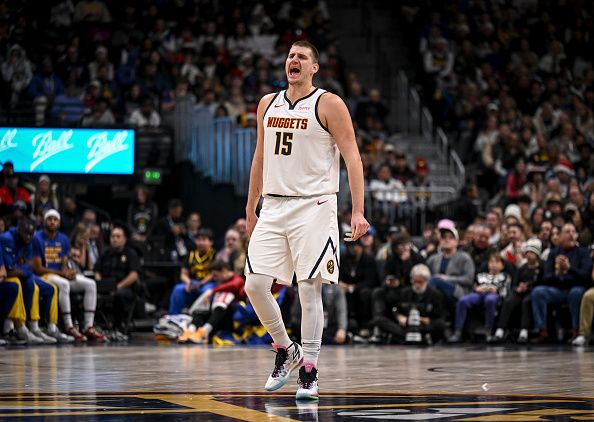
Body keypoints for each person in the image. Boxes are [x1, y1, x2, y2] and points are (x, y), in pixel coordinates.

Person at [244, 40, 369, 400]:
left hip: (315, 206)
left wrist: (357, 210)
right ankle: (286, 348)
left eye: (301, 57)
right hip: (274, 204)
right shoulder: (267, 104)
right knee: (254, 285)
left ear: (314, 67)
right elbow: (259, 157)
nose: (293, 60)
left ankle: (310, 370)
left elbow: (353, 158)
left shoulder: (328, 103)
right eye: (290, 56)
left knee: (309, 289)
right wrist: (251, 207)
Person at [31, 210, 105, 342]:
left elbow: (64, 263)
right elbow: (38, 269)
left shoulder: (63, 238)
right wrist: (62, 274)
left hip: (59, 275)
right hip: (45, 276)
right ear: (44, 221)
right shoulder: (37, 238)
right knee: (64, 284)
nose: (53, 222)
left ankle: (88, 326)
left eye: (55, 219)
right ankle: (69, 326)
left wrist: (68, 272)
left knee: (91, 284)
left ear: (59, 222)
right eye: (50, 219)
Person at [531, 222, 592, 343]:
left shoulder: (583, 252)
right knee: (538, 292)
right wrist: (558, 274)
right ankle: (542, 330)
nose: (571, 235)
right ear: (560, 236)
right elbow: (546, 277)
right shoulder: (554, 253)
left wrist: (569, 268)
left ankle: (576, 330)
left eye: (573, 232)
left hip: (576, 288)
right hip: (558, 289)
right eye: (567, 232)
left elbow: (586, 276)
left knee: (576, 293)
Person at [448, 253, 512, 343]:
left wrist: (495, 290)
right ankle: (458, 331)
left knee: (490, 300)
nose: (493, 264)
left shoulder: (505, 276)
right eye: (491, 262)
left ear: (502, 265)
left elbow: (506, 291)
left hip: (494, 294)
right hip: (479, 293)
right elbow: (473, 286)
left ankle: (488, 330)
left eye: (497, 262)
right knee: (463, 300)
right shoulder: (481, 275)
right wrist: (477, 288)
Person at [493, 238, 543, 344]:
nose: (529, 255)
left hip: (533, 292)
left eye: (532, 252)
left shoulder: (542, 267)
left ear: (537, 254)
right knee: (509, 300)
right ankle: (500, 330)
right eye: (528, 252)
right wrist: (518, 288)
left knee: (526, 302)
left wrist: (528, 288)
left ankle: (524, 332)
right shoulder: (522, 268)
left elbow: (542, 283)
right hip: (520, 292)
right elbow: (514, 283)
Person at [94, 226, 141, 331]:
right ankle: (96, 326)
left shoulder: (131, 253)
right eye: (112, 236)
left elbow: (133, 275)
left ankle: (118, 326)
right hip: (105, 287)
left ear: (124, 239)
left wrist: (118, 287)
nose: (114, 239)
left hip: (124, 288)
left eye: (118, 236)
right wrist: (101, 283)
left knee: (119, 295)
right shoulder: (105, 253)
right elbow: (97, 271)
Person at [167, 228, 216, 315]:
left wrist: (201, 283)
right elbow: (183, 274)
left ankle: (202, 319)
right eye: (199, 239)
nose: (200, 242)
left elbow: (214, 274)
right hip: (193, 282)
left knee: (206, 291)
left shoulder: (215, 254)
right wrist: (188, 282)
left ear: (211, 242)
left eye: (204, 240)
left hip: (208, 283)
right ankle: (174, 316)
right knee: (178, 289)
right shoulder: (190, 255)